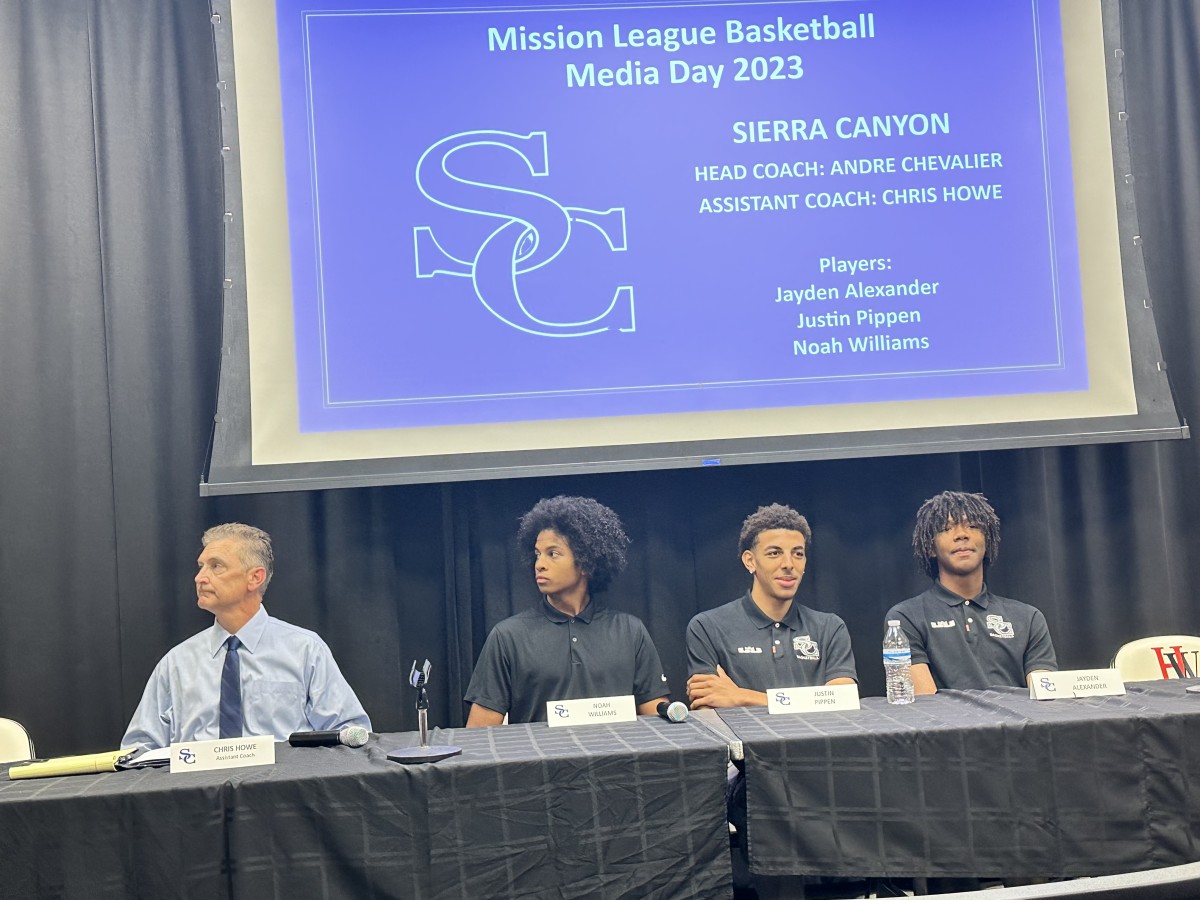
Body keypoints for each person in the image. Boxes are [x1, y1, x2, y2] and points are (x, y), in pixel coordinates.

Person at [121, 523, 371, 749]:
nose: (200, 578)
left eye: (216, 566)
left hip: (282, 791)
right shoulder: (176, 663)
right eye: (200, 567)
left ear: (255, 577)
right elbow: (139, 748)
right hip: (197, 793)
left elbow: (350, 734)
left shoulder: (305, 650)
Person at [464, 496, 669, 725]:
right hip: (539, 760)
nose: (539, 564)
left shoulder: (630, 631)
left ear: (585, 562)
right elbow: (480, 732)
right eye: (537, 554)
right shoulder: (507, 637)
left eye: (553, 553)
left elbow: (657, 722)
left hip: (616, 760)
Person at [686, 503, 857, 708]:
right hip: (745, 741)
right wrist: (811, 702)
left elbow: (843, 701)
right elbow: (709, 708)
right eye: (774, 553)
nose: (788, 564)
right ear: (750, 561)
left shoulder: (830, 627)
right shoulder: (707, 627)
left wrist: (742, 697)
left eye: (798, 553)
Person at [886, 490, 1058, 694]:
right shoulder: (906, 618)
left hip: (1020, 725)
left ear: (988, 542)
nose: (961, 535)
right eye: (947, 528)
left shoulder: (1028, 618)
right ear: (931, 548)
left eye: (973, 526)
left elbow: (1047, 698)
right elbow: (926, 706)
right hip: (948, 725)